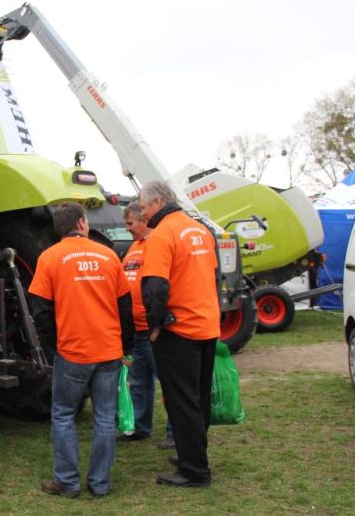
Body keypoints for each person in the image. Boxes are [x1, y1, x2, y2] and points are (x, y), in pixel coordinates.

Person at [29, 202, 134, 498]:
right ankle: (100, 483)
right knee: (104, 416)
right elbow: (125, 307)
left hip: (73, 351)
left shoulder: (49, 258)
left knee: (62, 414)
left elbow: (40, 311)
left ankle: (67, 481)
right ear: (82, 223)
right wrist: (126, 345)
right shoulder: (109, 256)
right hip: (109, 351)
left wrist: (54, 343)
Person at [138, 181, 220, 488]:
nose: (143, 214)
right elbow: (210, 275)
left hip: (179, 329)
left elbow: (155, 287)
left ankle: (194, 471)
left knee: (181, 400)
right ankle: (192, 453)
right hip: (207, 325)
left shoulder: (162, 235)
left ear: (158, 202)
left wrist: (156, 325)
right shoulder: (199, 230)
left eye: (144, 208)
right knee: (197, 398)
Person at [117, 201, 174, 448]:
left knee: (170, 383)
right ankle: (140, 427)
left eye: (130, 223)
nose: (127, 228)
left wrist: (157, 322)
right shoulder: (134, 247)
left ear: (144, 219)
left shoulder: (157, 243)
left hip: (154, 329)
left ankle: (175, 432)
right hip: (136, 329)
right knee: (139, 382)